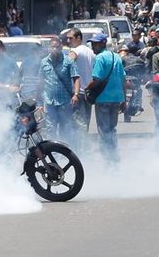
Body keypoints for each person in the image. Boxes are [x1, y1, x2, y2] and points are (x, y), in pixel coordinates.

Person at [85, 33, 125, 162]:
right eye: (92, 43)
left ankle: (107, 159)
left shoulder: (100, 58)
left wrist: (87, 88)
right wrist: (124, 99)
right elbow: (123, 79)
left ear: (103, 43)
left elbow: (97, 79)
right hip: (116, 98)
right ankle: (114, 155)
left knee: (103, 130)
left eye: (95, 43)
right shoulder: (116, 57)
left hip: (103, 99)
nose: (93, 46)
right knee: (112, 129)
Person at [37, 35, 79, 141]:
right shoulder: (44, 62)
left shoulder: (68, 61)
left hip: (65, 102)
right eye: (52, 47)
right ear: (49, 48)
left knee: (65, 129)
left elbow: (76, 78)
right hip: (49, 101)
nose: (54, 49)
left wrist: (76, 94)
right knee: (51, 129)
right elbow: (40, 82)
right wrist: (39, 102)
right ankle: (53, 150)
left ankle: (65, 148)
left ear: (61, 47)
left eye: (57, 47)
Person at [67, 28, 95, 130]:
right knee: (85, 121)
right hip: (88, 92)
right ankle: (85, 139)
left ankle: (80, 140)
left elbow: (67, 65)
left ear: (78, 38)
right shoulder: (90, 52)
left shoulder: (75, 51)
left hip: (77, 93)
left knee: (78, 122)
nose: (68, 41)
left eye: (71, 38)